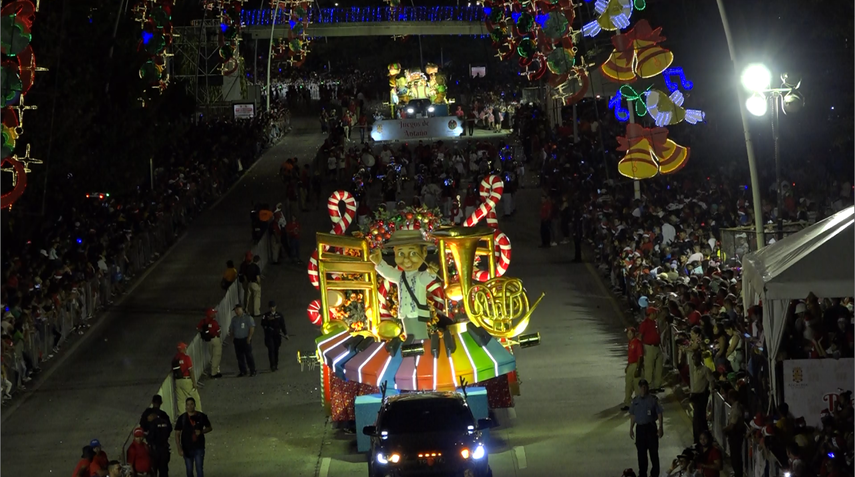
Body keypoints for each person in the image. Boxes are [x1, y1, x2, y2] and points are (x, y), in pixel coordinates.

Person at [369, 230, 442, 343]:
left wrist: (432, 272)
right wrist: (379, 262)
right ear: (394, 252)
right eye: (401, 254)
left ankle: (422, 353)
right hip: (404, 313)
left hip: (417, 313)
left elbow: (428, 277)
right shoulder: (399, 276)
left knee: (421, 336)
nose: (406, 259)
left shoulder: (420, 277)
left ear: (424, 253)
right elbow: (388, 272)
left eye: (413, 253)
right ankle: (412, 351)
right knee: (409, 336)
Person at [629, 379, 663, 477]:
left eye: (645, 387)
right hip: (640, 429)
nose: (643, 389)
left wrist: (660, 427)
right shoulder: (635, 401)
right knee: (641, 454)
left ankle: (655, 474)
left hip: (650, 428)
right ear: (639, 388)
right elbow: (633, 415)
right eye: (641, 387)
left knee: (653, 453)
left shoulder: (653, 399)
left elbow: (659, 413)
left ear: (647, 387)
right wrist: (631, 428)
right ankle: (642, 474)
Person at [175, 397, 212, 477]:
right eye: (188, 404)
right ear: (185, 406)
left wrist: (201, 431)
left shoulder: (201, 416)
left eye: (191, 404)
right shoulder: (182, 418)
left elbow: (209, 427)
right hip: (187, 448)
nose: (190, 406)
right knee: (189, 469)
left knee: (199, 469)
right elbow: (177, 434)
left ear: (194, 405)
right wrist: (179, 448)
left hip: (199, 447)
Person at [144, 397, 173, 477]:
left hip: (153, 449)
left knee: (153, 471)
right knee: (163, 471)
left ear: (152, 402)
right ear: (161, 403)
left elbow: (143, 429)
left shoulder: (147, 414)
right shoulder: (163, 415)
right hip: (164, 448)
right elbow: (169, 429)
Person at [227, 303, 256, 377]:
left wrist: (249, 337)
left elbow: (251, 328)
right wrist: (232, 337)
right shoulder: (234, 319)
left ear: (241, 309)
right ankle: (243, 371)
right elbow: (231, 329)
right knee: (239, 356)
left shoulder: (247, 318)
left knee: (248, 355)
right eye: (235, 310)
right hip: (237, 340)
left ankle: (252, 370)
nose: (236, 311)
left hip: (245, 339)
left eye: (237, 309)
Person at [172, 342, 202, 411]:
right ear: (182, 349)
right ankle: (200, 415)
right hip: (186, 380)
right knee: (195, 398)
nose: (186, 348)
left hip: (178, 381)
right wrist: (194, 382)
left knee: (180, 401)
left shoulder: (175, 359)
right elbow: (191, 371)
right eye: (185, 347)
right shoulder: (186, 358)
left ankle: (182, 417)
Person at [638, 311, 664, 393]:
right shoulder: (644, 323)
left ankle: (657, 385)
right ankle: (649, 386)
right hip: (649, 347)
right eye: (655, 313)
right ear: (651, 314)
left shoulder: (655, 322)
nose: (656, 314)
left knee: (658, 367)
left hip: (657, 346)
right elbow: (640, 336)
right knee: (649, 367)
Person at [723, 390, 745, 477]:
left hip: (735, 435)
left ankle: (738, 474)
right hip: (735, 434)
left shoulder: (736, 408)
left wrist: (724, 429)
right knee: (736, 455)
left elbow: (732, 425)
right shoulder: (736, 406)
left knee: (735, 456)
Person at [261, 300, 288, 371]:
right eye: (270, 307)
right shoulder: (266, 315)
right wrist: (268, 328)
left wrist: (285, 334)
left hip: (277, 335)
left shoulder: (279, 315)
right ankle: (272, 365)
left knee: (276, 350)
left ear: (275, 307)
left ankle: (276, 364)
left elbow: (283, 325)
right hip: (269, 336)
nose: (272, 308)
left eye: (273, 307)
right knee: (271, 350)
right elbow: (263, 324)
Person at [196, 308, 223, 379]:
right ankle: (214, 372)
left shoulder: (203, 321)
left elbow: (198, 328)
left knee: (212, 355)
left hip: (208, 341)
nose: (215, 314)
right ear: (210, 315)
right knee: (216, 356)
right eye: (213, 313)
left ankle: (216, 370)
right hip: (215, 339)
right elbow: (218, 331)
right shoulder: (214, 322)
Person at [622, 326, 644, 411]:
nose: (629, 335)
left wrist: (638, 368)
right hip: (631, 365)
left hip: (636, 365)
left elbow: (640, 356)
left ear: (634, 334)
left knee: (636, 385)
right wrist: (627, 366)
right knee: (628, 385)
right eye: (628, 333)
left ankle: (639, 404)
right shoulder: (630, 342)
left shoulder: (637, 343)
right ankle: (627, 403)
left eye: (630, 333)